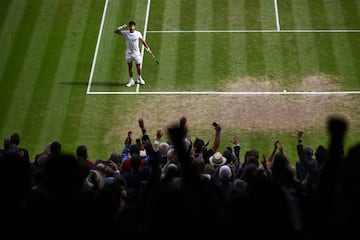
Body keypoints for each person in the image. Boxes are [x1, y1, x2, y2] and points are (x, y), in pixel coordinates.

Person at [114, 21, 153, 87]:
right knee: (130, 67)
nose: (132, 27)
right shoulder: (126, 33)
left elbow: (143, 41)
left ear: (135, 27)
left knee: (138, 67)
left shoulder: (138, 33)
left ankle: (140, 78)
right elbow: (115, 31)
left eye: (133, 26)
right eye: (131, 26)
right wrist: (121, 27)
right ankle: (131, 80)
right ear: (129, 27)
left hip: (136, 54)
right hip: (129, 54)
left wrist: (148, 49)